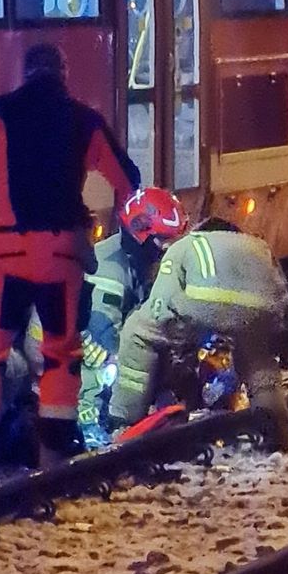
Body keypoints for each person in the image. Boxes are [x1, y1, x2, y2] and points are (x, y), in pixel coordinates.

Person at [0, 42, 140, 491]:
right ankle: (53, 455)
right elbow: (128, 179)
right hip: (62, 256)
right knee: (60, 354)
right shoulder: (84, 119)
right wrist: (129, 225)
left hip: (4, 255)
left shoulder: (0, 112)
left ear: (26, 73)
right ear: (62, 74)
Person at [108, 217, 288, 451]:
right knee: (259, 361)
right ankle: (275, 428)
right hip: (258, 312)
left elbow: (161, 303)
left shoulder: (184, 245)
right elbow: (282, 294)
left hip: (201, 306)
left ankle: (124, 421)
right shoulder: (259, 247)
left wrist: (169, 335)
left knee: (138, 333)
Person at [78, 187, 189, 450]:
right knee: (105, 366)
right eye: (163, 243)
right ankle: (89, 425)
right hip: (77, 349)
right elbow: (101, 342)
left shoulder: (135, 264)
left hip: (89, 341)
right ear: (141, 236)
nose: (167, 251)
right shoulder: (110, 274)